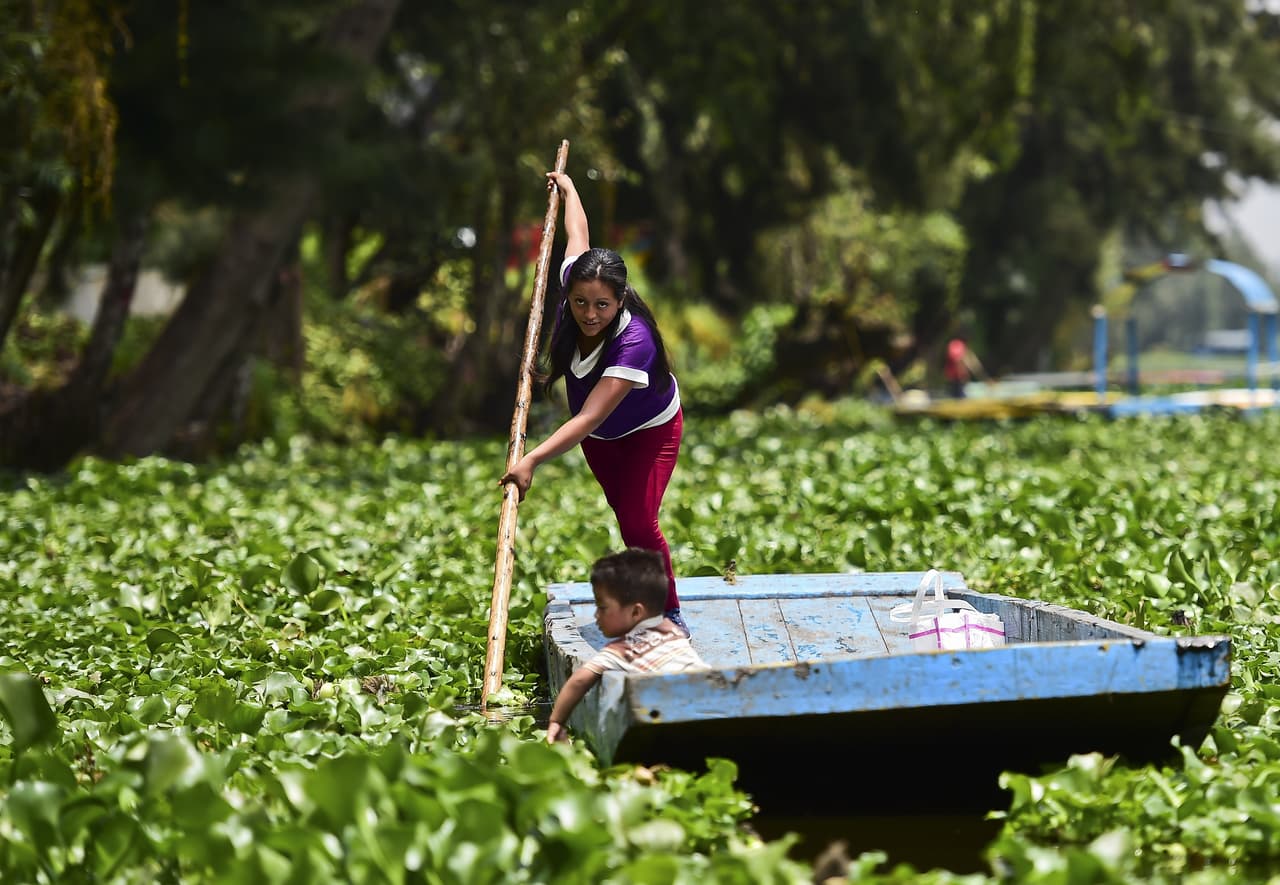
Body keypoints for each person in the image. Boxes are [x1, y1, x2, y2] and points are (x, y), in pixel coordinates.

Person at [501, 168, 690, 635]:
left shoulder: (635, 343)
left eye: (601, 306)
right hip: (602, 439)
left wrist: (531, 460)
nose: (589, 314)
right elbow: (577, 235)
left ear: (620, 298)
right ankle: (637, 604)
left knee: (639, 524)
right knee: (623, 513)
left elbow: (586, 416)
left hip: (650, 430)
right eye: (581, 303)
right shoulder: (577, 285)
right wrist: (568, 189)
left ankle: (669, 613)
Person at [545, 548, 707, 744]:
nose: (596, 615)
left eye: (602, 608)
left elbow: (579, 681)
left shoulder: (622, 650)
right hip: (710, 697)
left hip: (674, 718)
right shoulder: (672, 630)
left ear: (636, 612)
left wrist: (556, 721)